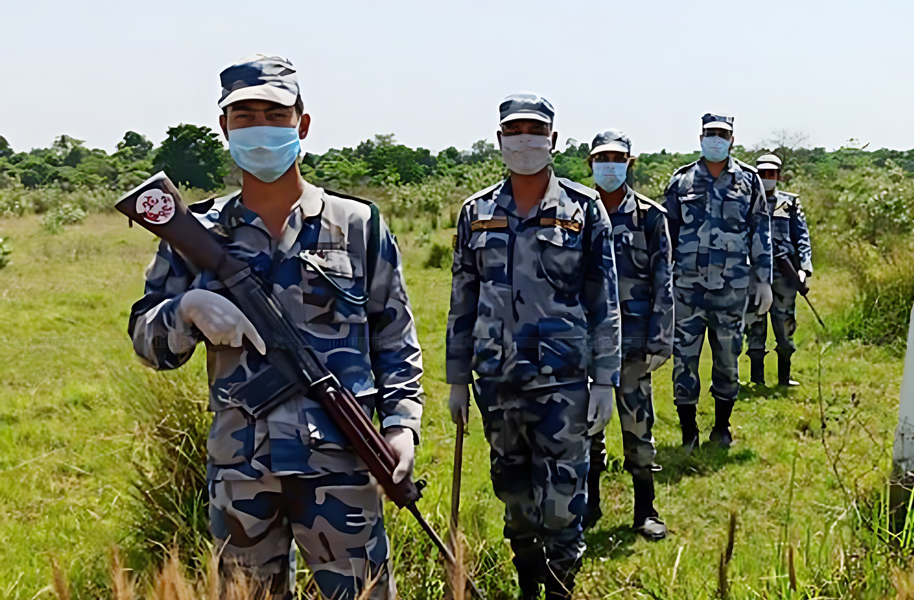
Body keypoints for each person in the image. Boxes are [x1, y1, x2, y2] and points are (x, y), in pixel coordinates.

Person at [128, 55, 423, 599]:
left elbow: (395, 338)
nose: (259, 125)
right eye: (244, 115)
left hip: (344, 465)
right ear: (224, 127)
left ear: (302, 124)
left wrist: (402, 425)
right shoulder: (196, 231)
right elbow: (148, 341)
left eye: (274, 112)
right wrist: (186, 310)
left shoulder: (357, 225)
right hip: (241, 473)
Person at [444, 93, 621, 599]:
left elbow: (602, 300)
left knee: (563, 504)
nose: (525, 139)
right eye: (515, 130)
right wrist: (457, 379)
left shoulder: (583, 210)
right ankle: (527, 584)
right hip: (497, 383)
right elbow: (462, 299)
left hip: (563, 383)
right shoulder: (475, 212)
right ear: (499, 140)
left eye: (535, 129)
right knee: (515, 497)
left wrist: (605, 379)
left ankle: (562, 588)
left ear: (554, 140)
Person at [662, 113, 771, 450]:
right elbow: (667, 235)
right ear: (700, 137)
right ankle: (688, 432)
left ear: (732, 140)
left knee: (727, 359)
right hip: (687, 290)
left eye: (722, 134)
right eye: (710, 133)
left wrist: (763, 281)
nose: (716, 139)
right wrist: (662, 283)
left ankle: (721, 428)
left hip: (731, 289)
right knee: (685, 360)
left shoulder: (749, 181)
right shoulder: (681, 181)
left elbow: (760, 230)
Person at [583, 130, 672, 540]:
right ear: (590, 164)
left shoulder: (651, 217)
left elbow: (663, 283)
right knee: (587, 429)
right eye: (602, 158)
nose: (610, 165)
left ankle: (645, 510)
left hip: (633, 344)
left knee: (638, 430)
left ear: (630, 163)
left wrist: (660, 339)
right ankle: (590, 504)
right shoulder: (574, 212)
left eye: (618, 158)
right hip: (584, 343)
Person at [743, 153, 813, 387]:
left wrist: (804, 268)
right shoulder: (746, 202)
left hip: (785, 274)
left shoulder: (790, 202)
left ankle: (784, 378)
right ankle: (757, 379)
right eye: (762, 174)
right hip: (755, 274)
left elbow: (802, 236)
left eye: (771, 174)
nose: (767, 178)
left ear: (779, 175)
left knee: (784, 325)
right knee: (755, 324)